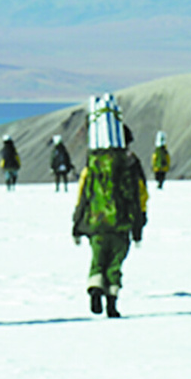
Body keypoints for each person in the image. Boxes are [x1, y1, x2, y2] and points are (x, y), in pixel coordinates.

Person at [72, 99, 148, 318]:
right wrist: (139, 225)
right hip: (122, 223)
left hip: (96, 222)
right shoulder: (131, 165)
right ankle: (112, 301)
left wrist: (77, 224)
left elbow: (83, 195)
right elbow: (140, 196)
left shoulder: (93, 165)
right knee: (115, 263)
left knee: (98, 260)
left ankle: (95, 287)